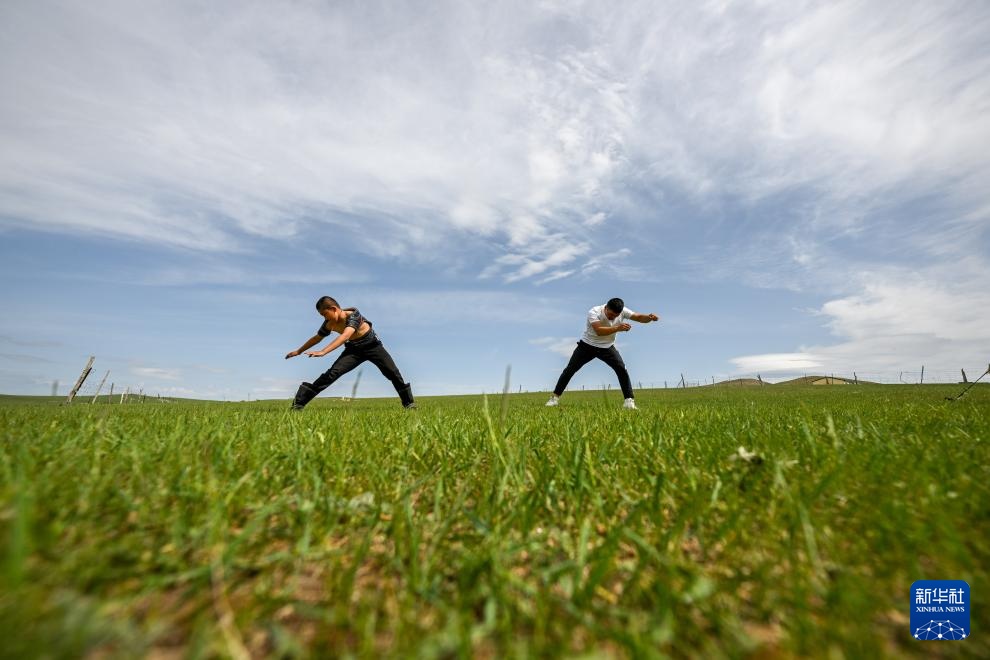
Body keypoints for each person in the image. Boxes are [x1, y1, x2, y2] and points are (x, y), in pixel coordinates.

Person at [285, 296, 415, 410]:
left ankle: (409, 404)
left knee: (392, 372)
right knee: (331, 374)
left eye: (325, 314)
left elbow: (345, 336)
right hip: (353, 350)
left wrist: (324, 351)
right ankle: (298, 404)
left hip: (373, 347)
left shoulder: (354, 315)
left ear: (334, 309)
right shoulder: (329, 324)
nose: (324, 318)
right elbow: (317, 338)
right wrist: (298, 351)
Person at [546, 297, 659, 410]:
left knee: (621, 369)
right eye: (610, 315)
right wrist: (617, 328)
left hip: (607, 347)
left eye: (615, 316)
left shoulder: (622, 311)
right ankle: (554, 399)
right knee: (570, 370)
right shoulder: (594, 312)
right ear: (606, 308)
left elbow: (639, 317)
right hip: (587, 345)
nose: (612, 318)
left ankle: (629, 402)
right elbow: (599, 331)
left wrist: (649, 317)